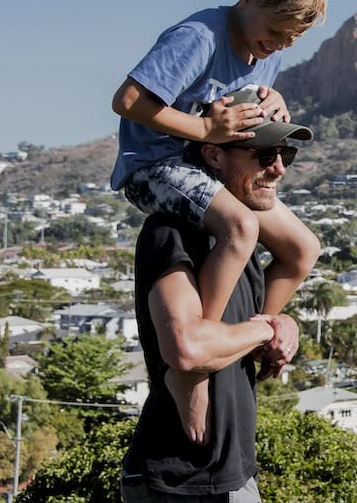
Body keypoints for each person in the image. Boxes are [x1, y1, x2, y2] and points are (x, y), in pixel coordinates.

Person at [110, 0, 325, 443]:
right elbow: (126, 100)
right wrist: (204, 126)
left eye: (290, 41)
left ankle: (256, 330)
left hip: (209, 168)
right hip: (156, 165)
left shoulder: (263, 49)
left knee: (302, 249)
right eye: (273, 33)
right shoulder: (201, 35)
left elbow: (243, 109)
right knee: (241, 226)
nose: (275, 48)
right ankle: (195, 370)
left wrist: (273, 104)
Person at [121, 121, 305, 502]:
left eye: (285, 154)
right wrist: (267, 330)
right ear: (214, 155)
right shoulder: (170, 232)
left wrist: (281, 324)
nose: (279, 168)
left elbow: (236, 334)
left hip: (233, 471)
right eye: (265, 155)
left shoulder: (242, 245)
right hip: (177, 479)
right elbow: (187, 348)